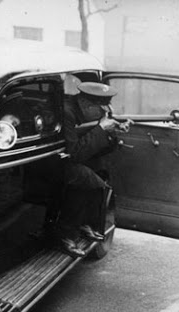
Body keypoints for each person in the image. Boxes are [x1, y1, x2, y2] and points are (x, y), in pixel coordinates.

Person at [52, 81, 131, 257]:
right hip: (52, 162)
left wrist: (113, 132)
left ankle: (83, 224)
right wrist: (101, 128)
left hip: (71, 160)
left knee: (100, 172)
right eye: (101, 107)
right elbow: (75, 153)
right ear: (85, 103)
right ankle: (64, 235)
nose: (106, 111)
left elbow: (101, 148)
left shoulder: (88, 113)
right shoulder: (67, 112)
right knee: (89, 180)